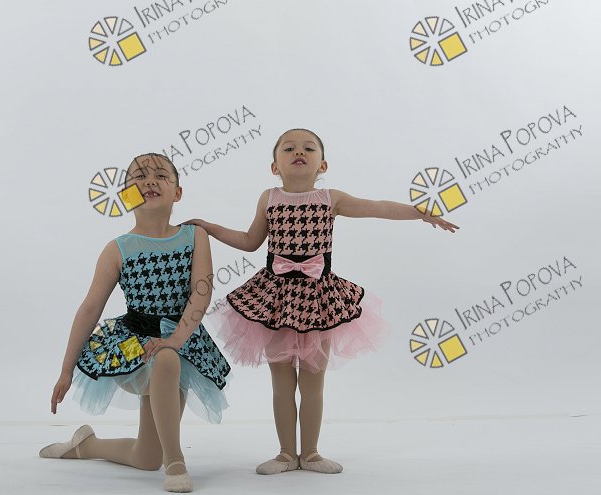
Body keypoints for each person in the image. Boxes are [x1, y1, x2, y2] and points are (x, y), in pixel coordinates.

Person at [185, 128, 458, 475]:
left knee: (313, 381)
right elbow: (250, 240)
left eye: (308, 148)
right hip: (275, 300)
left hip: (319, 300)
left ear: (322, 164)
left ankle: (311, 453)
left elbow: (377, 207)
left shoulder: (331, 198)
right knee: (282, 383)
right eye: (289, 148)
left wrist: (419, 212)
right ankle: (286, 453)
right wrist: (208, 227)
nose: (299, 152)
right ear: (274, 167)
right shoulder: (269, 198)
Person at [39, 153, 231, 493]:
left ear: (178, 193)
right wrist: (66, 371)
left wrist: (176, 338)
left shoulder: (195, 236)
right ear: (126, 195)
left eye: (161, 175)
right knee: (165, 358)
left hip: (182, 336)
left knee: (146, 457)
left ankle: (85, 446)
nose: (150, 180)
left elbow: (201, 293)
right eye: (139, 176)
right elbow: (90, 309)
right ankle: (176, 462)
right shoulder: (118, 249)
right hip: (133, 342)